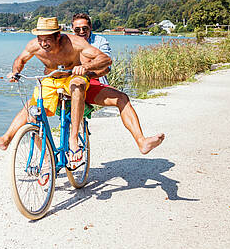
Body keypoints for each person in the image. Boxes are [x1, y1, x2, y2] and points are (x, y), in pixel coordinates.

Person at [0, 16, 111, 165]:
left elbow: (106, 59)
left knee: (77, 86)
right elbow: (20, 60)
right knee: (32, 112)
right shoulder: (35, 45)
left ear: (58, 36)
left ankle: (73, 139)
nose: (43, 44)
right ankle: (23, 147)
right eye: (40, 39)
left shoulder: (74, 43)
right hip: (51, 80)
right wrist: (15, 72)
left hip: (72, 77)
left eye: (47, 40)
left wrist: (85, 67)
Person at [71, 13, 165, 154]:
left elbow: (106, 67)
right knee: (33, 110)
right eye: (77, 29)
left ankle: (142, 142)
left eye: (85, 28)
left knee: (122, 98)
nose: (82, 32)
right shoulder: (67, 42)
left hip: (93, 82)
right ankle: (47, 162)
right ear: (72, 29)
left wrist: (87, 71)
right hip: (69, 84)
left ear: (90, 27)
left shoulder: (99, 41)